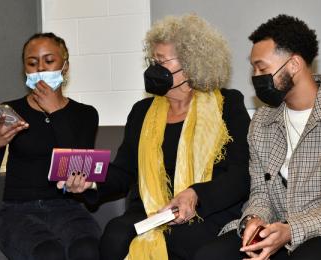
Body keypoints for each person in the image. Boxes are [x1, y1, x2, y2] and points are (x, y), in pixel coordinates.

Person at [62, 14, 250, 260]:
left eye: (162, 60)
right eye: (152, 59)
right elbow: (124, 170)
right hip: (152, 210)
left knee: (183, 242)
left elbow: (241, 174)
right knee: (115, 236)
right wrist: (92, 182)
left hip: (207, 210)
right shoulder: (142, 113)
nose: (153, 68)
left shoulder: (227, 105)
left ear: (192, 64)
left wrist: (195, 194)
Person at [194, 14, 321, 260]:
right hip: (273, 228)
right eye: (253, 68)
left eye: (262, 67)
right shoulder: (261, 122)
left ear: (293, 65)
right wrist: (254, 220)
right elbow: (259, 193)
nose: (256, 77)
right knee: (210, 256)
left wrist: (291, 230)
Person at [0, 32, 101, 260]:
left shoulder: (85, 114)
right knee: (49, 253)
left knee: (87, 248)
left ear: (65, 66)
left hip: (67, 208)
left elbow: (81, 169)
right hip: (17, 211)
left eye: (49, 61)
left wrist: (56, 112)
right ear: (25, 69)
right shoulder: (9, 113)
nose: (41, 69)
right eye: (32, 63)